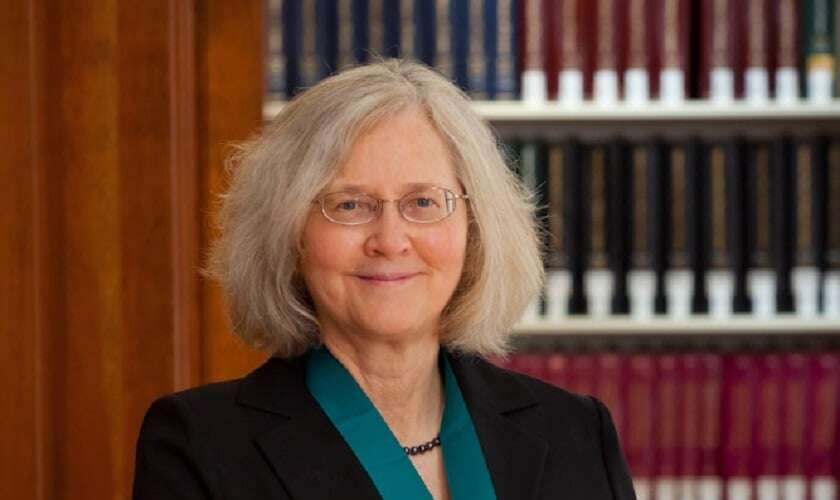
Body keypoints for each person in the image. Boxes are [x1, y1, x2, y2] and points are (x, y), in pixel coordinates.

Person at [132, 59, 636, 500]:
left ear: (475, 229)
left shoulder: (575, 430)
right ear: (290, 234)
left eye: (423, 202)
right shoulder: (201, 445)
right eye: (349, 205)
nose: (390, 239)